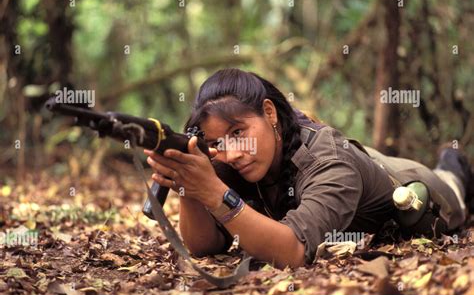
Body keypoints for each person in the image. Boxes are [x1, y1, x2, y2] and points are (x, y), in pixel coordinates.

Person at [144, 68, 472, 269]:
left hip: (408, 180)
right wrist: (188, 184)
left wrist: (214, 193)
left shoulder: (330, 161)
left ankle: (454, 160)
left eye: (238, 133)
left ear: (270, 113)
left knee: (452, 181)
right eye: (219, 141)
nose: (231, 152)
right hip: (359, 164)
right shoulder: (233, 156)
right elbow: (205, 247)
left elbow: (293, 251)